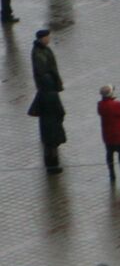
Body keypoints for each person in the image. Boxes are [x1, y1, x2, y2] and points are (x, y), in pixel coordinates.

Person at [32, 33, 65, 174]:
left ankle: (52, 164)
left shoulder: (45, 49)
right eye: (46, 37)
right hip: (50, 123)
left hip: (49, 119)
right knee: (50, 143)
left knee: (50, 143)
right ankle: (52, 166)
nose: (48, 39)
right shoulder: (38, 53)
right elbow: (44, 70)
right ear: (41, 38)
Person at [97, 87, 120, 184]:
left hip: (108, 135)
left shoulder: (101, 106)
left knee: (109, 153)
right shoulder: (116, 105)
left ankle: (112, 175)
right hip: (119, 134)